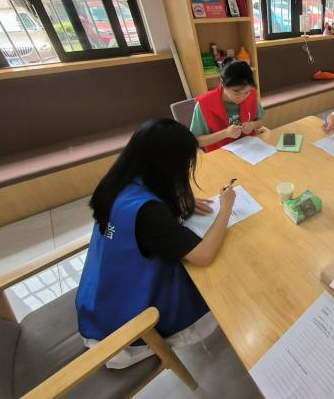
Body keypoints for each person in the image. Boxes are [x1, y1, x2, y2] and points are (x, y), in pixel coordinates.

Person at [76, 119, 236, 368]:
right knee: (222, 278)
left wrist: (178, 202)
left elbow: (146, 213)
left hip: (98, 291)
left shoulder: (118, 181)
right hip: (127, 321)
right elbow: (203, 255)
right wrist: (226, 207)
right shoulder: (149, 214)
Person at [190, 58, 264, 152]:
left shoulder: (251, 94)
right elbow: (196, 141)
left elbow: (260, 121)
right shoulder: (204, 105)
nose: (242, 97)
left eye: (246, 92)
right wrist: (225, 133)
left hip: (249, 148)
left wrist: (252, 125)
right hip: (220, 153)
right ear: (222, 83)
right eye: (236, 93)